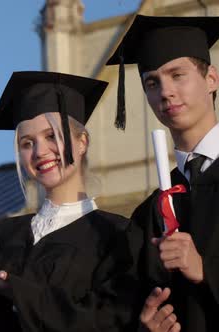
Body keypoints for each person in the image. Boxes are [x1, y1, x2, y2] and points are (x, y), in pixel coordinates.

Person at [0, 71, 140, 331]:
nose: (39, 152)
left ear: (82, 141)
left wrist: (14, 290)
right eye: (27, 143)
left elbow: (105, 321)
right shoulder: (2, 235)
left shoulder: (117, 235)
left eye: (52, 136)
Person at [107, 15, 219, 332]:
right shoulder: (150, 213)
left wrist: (205, 270)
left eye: (177, 75)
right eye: (152, 83)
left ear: (212, 78)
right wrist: (145, 326)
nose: (165, 92)